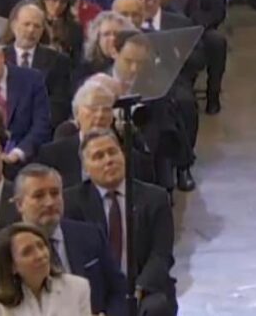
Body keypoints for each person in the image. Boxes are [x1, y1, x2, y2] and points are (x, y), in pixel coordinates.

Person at [64, 129, 178, 316]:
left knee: (157, 307)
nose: (108, 160)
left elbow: (161, 255)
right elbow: (76, 259)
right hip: (97, 291)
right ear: (86, 168)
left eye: (113, 152)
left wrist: (138, 291)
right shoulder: (72, 202)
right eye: (98, 156)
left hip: (144, 288)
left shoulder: (155, 198)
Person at [11, 164, 127, 316]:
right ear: (19, 204)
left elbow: (118, 291)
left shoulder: (90, 235)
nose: (50, 202)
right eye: (39, 196)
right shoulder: (6, 247)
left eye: (55, 193)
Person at [0, 222, 90, 316]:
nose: (40, 255)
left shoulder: (78, 287)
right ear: (11, 266)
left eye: (41, 246)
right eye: (27, 252)